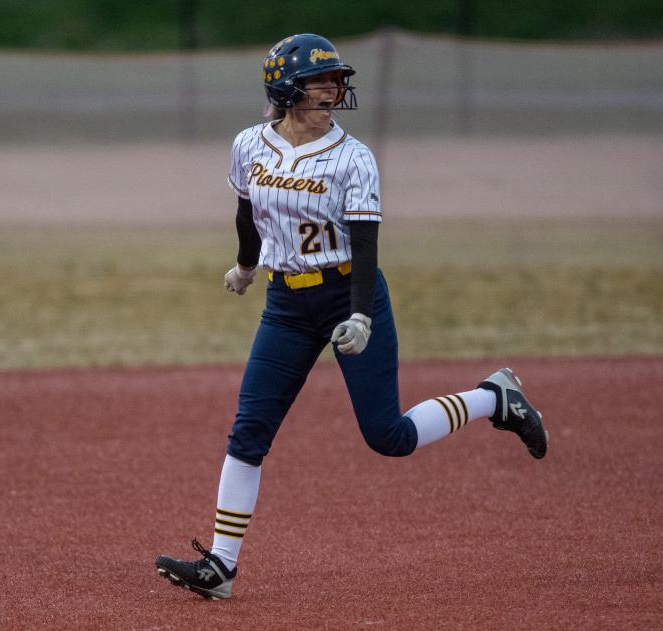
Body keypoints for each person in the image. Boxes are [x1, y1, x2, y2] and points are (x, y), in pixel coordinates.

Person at [154, 33, 549, 600]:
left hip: (348, 294)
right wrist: (245, 268)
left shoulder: (353, 157)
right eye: (320, 82)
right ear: (287, 89)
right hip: (286, 304)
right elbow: (248, 215)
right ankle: (222, 565)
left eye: (337, 81)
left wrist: (361, 316)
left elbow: (365, 248)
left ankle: (495, 398)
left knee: (388, 436)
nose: (334, 91)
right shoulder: (249, 144)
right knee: (249, 432)